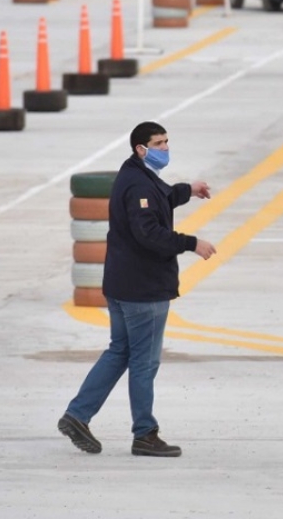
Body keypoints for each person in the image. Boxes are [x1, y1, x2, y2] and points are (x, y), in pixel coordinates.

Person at [59, 121, 218, 458]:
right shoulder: (139, 185)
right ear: (140, 148)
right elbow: (149, 233)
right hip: (142, 289)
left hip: (123, 284)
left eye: (166, 141)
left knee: (119, 352)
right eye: (158, 143)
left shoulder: (137, 175)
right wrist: (192, 243)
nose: (165, 148)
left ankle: (77, 415)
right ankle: (145, 433)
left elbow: (160, 197)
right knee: (144, 362)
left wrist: (188, 189)